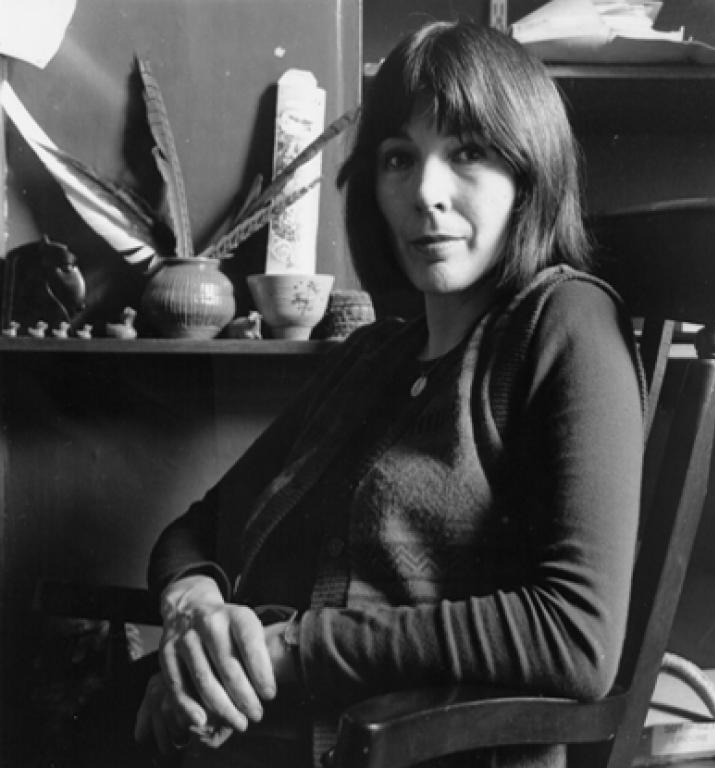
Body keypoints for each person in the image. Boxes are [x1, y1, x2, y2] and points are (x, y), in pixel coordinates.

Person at [133, 19, 645, 768]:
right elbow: (197, 530)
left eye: (467, 153)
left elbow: (575, 636)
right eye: (399, 158)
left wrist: (290, 651)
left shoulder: (566, 323)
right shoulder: (371, 358)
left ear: (529, 172)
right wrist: (195, 618)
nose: (425, 193)